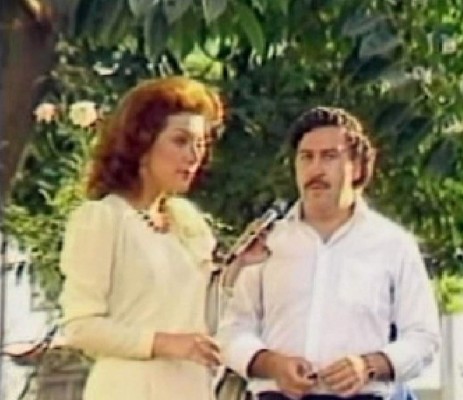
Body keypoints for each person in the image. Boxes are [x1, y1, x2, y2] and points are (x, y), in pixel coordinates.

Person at [59, 76, 265, 400]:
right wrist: (164, 343)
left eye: (201, 144)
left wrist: (239, 266)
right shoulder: (103, 219)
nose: (194, 156)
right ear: (141, 143)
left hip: (189, 387)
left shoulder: (187, 222)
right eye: (181, 141)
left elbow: (204, 318)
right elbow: (81, 327)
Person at [218, 106, 441, 400]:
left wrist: (369, 366)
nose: (316, 170)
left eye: (329, 157)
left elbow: (424, 337)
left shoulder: (392, 244)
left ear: (358, 167)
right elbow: (232, 329)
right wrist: (273, 364)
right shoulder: (266, 243)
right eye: (306, 157)